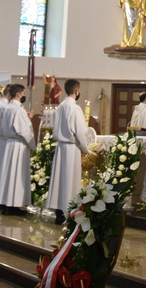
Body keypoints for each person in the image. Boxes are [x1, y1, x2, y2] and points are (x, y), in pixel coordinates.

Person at [45, 79, 90, 224]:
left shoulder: (61, 106)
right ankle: (68, 212)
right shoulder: (74, 108)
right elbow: (80, 131)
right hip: (71, 148)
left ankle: (59, 212)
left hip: (60, 147)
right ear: (76, 91)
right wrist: (86, 148)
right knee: (69, 180)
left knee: (60, 179)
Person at [0, 84, 36, 215]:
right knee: (16, 174)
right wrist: (33, 145)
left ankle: (7, 204)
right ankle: (13, 205)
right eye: (23, 94)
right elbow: (23, 130)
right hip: (18, 145)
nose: (23, 96)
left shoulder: (8, 108)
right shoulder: (18, 110)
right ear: (18, 94)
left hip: (10, 143)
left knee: (9, 175)